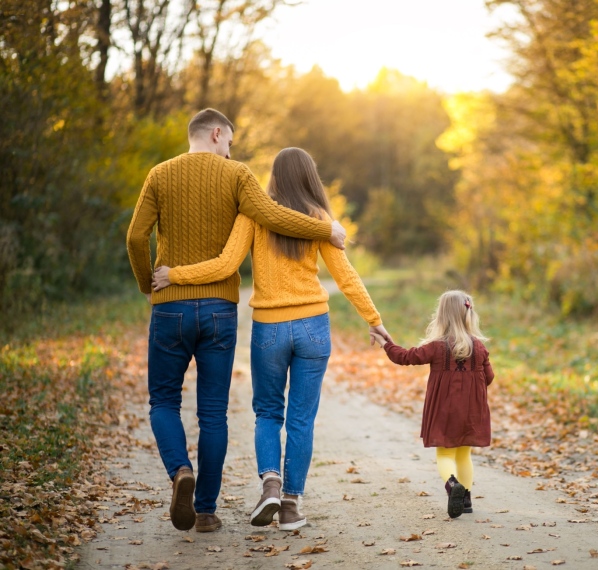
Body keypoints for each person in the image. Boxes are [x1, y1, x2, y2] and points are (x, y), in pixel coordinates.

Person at [126, 110, 349, 534]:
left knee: (163, 401)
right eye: (228, 141)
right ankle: (206, 510)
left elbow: (136, 238)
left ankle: (179, 471)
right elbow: (275, 216)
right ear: (215, 134)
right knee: (213, 413)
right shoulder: (236, 175)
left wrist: (147, 286)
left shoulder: (159, 174)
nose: (230, 150)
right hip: (219, 310)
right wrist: (326, 229)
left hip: (170, 306)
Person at [151, 147, 392, 530]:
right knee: (301, 419)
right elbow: (346, 275)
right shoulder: (320, 220)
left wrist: (174, 274)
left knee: (267, 412)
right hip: (314, 326)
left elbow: (226, 265)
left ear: (274, 178)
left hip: (269, 328)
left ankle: (271, 485)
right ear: (310, 178)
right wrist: (373, 320)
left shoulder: (254, 215)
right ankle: (292, 506)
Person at [370, 290, 494, 518]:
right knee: (464, 455)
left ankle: (451, 485)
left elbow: (405, 357)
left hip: (445, 409)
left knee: (445, 455)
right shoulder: (479, 348)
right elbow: (489, 378)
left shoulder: (436, 347)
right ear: (469, 314)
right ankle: (466, 499)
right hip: (471, 411)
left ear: (442, 316)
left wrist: (385, 342)